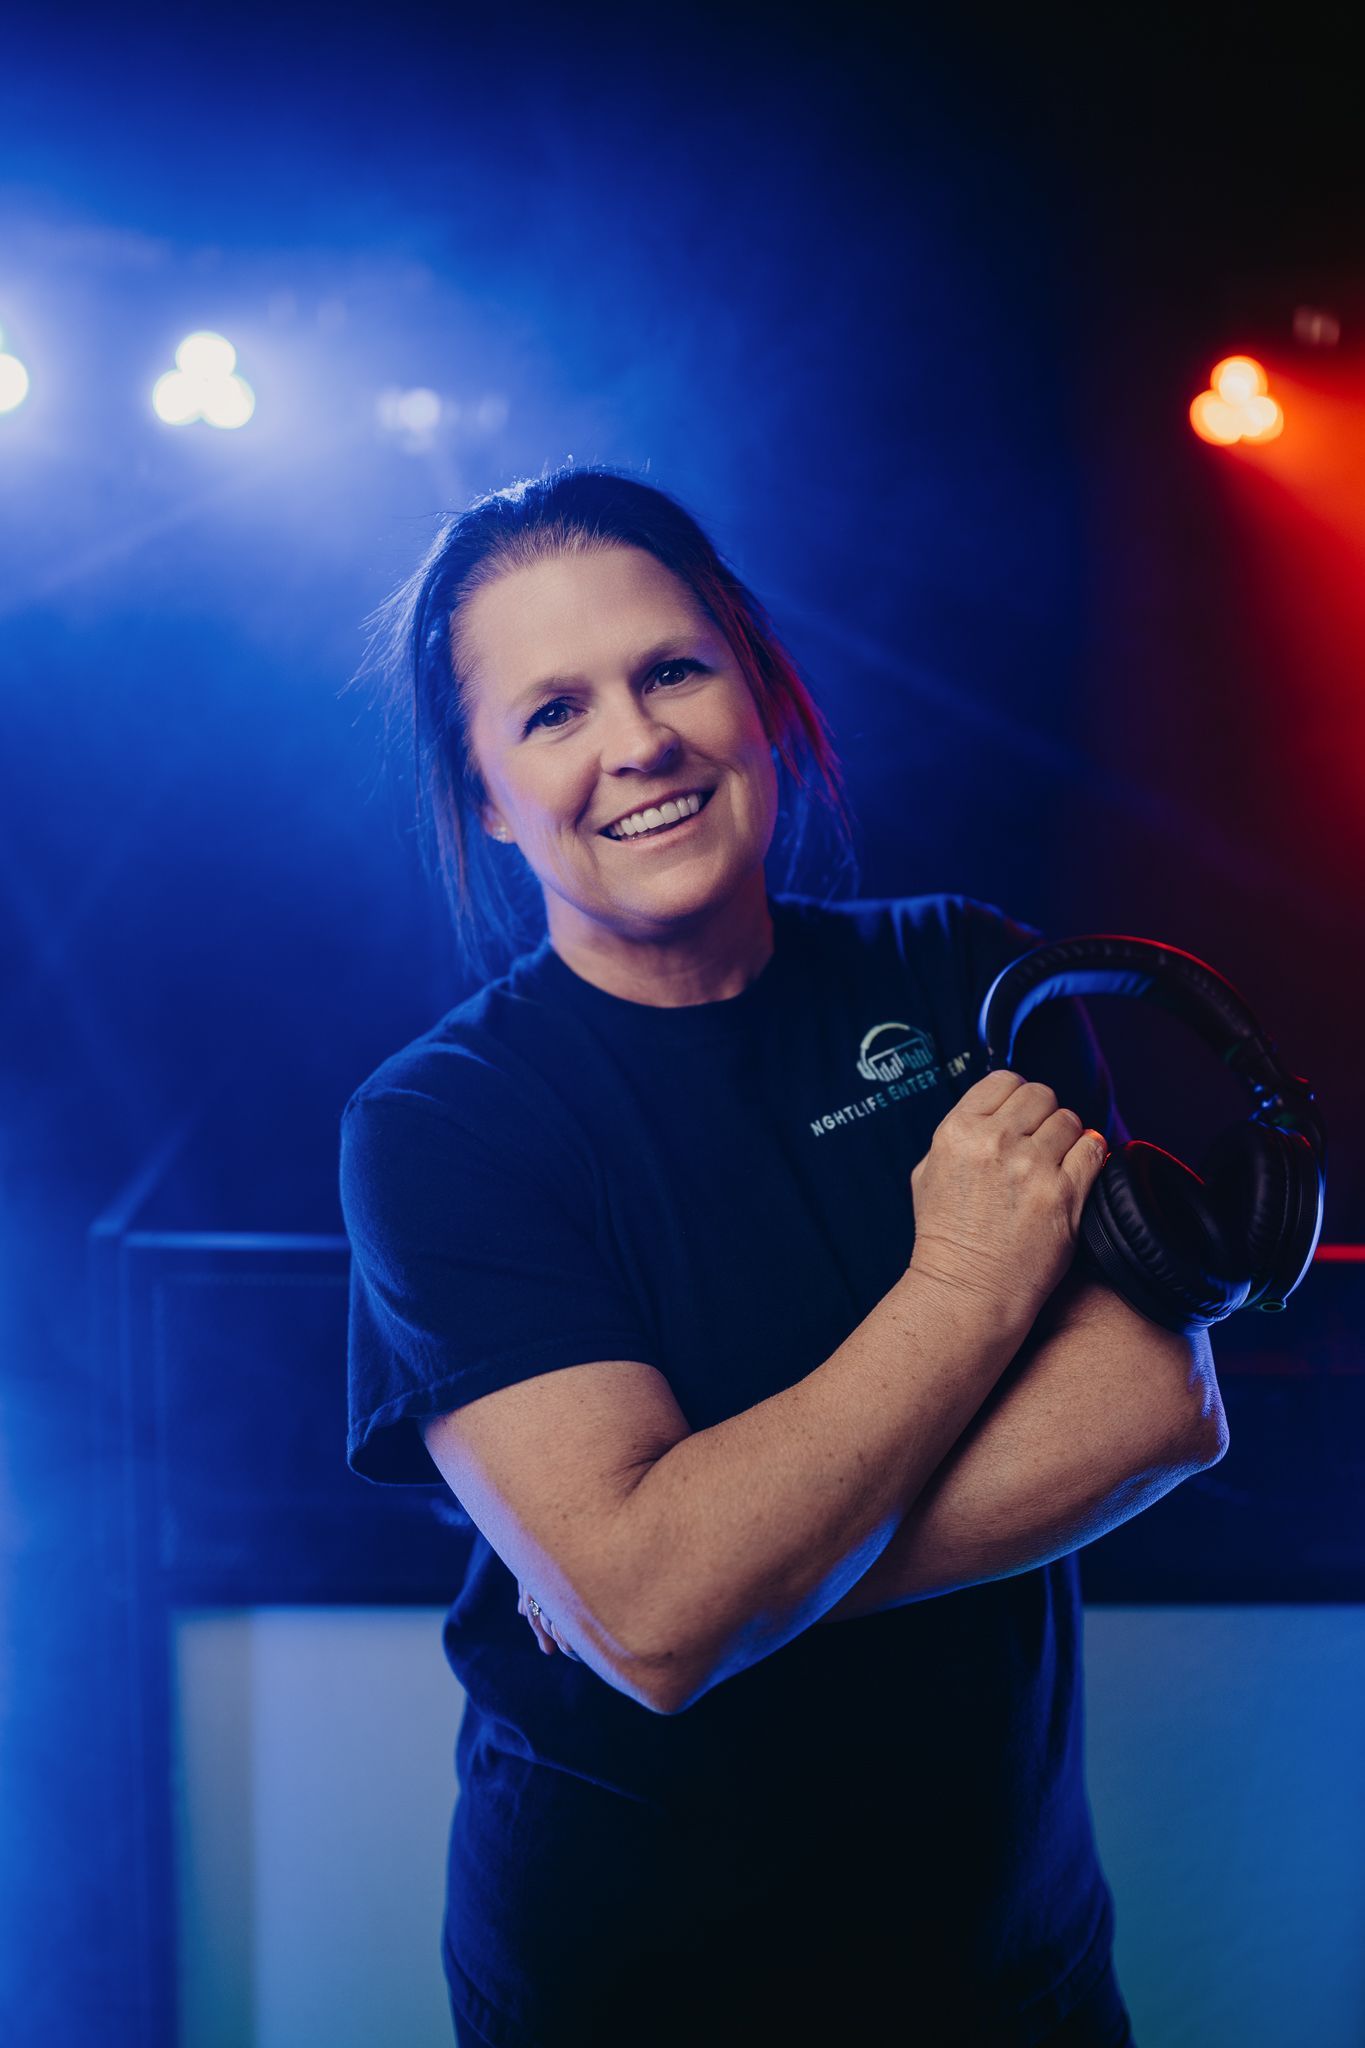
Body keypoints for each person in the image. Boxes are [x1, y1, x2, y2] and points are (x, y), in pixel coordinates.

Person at [340, 464, 1226, 2047]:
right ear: (482, 790)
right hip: (629, 1987)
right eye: (551, 712)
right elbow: (658, 1616)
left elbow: (1152, 1410)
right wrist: (959, 1282)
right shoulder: (441, 1124)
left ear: (754, 684)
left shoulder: (968, 972)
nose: (637, 744)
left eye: (670, 669)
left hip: (1012, 1967)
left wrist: (698, 1574)